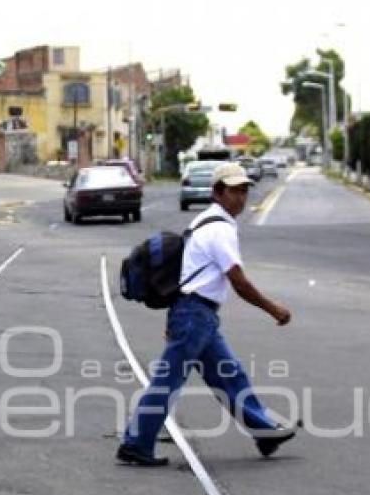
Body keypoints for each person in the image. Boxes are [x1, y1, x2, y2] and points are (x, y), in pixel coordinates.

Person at [117, 162, 298, 468]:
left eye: (244, 191)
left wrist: (175, 318)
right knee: (168, 381)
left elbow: (185, 277)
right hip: (195, 315)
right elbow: (238, 280)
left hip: (196, 314)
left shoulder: (207, 221)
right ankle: (135, 443)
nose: (240, 198)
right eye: (233, 191)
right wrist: (273, 309)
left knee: (229, 374)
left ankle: (264, 431)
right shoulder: (219, 229)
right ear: (217, 193)